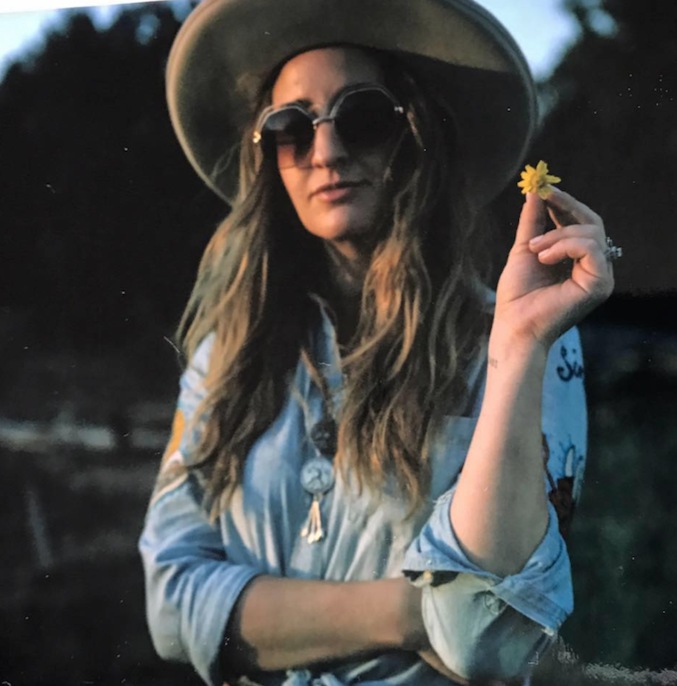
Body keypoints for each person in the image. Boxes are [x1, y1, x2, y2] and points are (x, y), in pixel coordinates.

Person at [138, 0, 618, 684]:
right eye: (290, 128)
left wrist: (517, 348)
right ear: (268, 158)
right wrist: (410, 613)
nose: (326, 152)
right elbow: (168, 605)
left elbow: (489, 642)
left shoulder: (523, 341)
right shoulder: (226, 355)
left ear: (417, 135)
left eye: (362, 118)